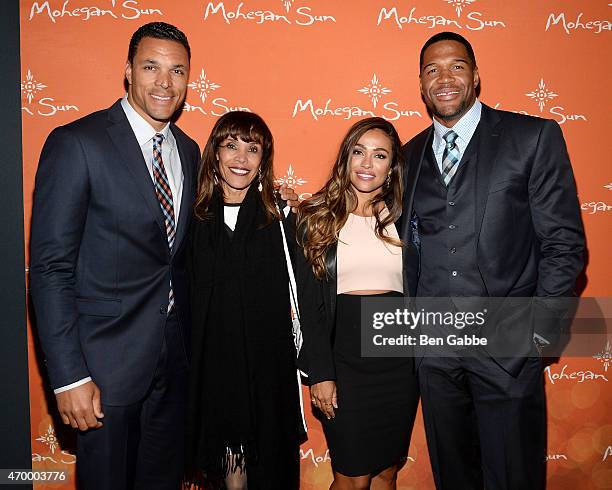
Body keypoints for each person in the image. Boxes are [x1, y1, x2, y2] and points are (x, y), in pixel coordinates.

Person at [400, 32, 585, 489]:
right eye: (432, 70)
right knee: (454, 477)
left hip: (508, 351)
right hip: (435, 355)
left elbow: (564, 244)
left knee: (514, 478)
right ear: (421, 85)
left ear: (476, 75)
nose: (444, 78)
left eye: (456, 66)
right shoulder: (407, 154)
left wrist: (537, 336)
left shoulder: (532, 137)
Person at [29, 22, 200, 489]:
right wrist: (68, 376)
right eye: (151, 67)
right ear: (127, 72)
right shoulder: (77, 143)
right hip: (103, 367)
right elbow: (50, 268)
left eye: (177, 71)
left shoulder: (189, 151)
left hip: (174, 363)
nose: (165, 83)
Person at [296, 117, 420, 490]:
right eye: (359, 152)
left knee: (385, 473)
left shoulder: (406, 217)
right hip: (344, 361)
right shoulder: (314, 217)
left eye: (379, 155)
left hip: (399, 363)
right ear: (345, 158)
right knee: (352, 477)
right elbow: (310, 308)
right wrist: (321, 372)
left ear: (392, 165)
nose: (367, 164)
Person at [185, 111, 302, 490]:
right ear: (215, 154)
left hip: (267, 371)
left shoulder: (280, 217)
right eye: (231, 146)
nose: (241, 158)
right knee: (230, 478)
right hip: (211, 368)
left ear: (263, 160)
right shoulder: (193, 218)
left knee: (266, 470)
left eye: (252, 149)